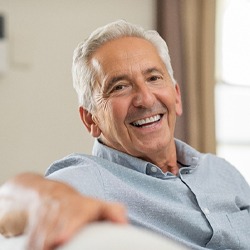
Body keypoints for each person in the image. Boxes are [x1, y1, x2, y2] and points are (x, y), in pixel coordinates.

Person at [0, 20, 250, 250]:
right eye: (119, 87)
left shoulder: (220, 170)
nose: (145, 98)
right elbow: (9, 202)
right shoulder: (91, 178)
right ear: (91, 119)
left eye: (153, 78)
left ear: (176, 96)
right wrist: (47, 200)